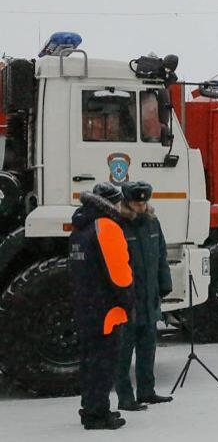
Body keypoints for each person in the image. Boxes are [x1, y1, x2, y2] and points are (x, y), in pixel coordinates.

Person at [69, 183, 133, 430]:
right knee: (104, 362)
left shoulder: (80, 227)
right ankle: (99, 414)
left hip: (85, 303)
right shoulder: (107, 227)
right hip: (106, 307)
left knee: (90, 361)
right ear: (111, 203)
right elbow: (119, 273)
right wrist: (128, 299)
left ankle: (91, 408)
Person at [115, 182, 173, 411]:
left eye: (143, 202)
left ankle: (147, 391)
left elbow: (161, 256)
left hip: (149, 296)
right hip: (129, 298)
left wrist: (164, 285)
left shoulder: (152, 222)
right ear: (127, 202)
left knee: (148, 347)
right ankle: (125, 397)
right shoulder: (119, 225)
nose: (141, 206)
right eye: (136, 202)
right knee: (124, 351)